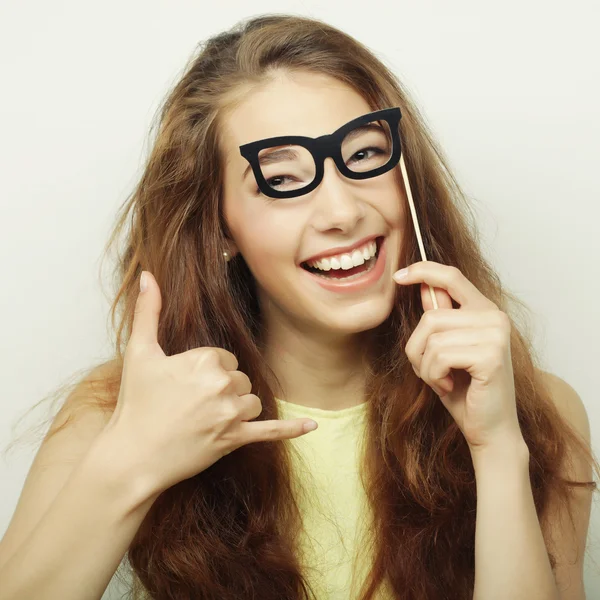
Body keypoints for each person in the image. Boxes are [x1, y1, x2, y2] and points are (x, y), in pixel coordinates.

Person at [0, 13, 597, 600]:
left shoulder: (539, 410)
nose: (341, 212)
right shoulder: (116, 411)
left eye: (365, 157)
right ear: (220, 229)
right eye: (282, 181)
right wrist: (129, 464)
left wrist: (496, 449)